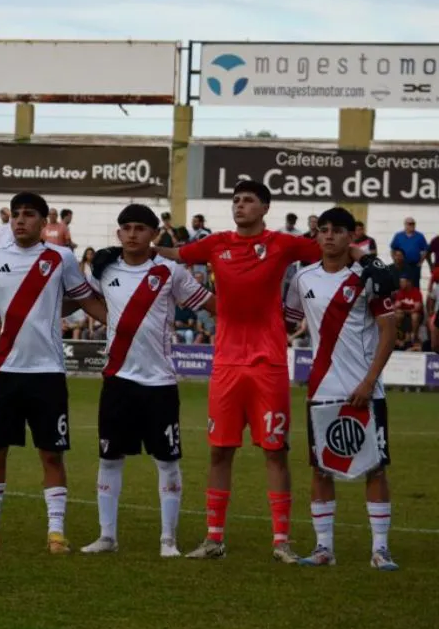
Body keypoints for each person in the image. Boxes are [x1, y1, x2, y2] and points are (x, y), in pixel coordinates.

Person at [154, 180, 389, 562]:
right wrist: (136, 247)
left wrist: (372, 263)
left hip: (269, 364)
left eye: (247, 201)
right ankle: (214, 538)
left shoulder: (282, 244)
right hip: (227, 363)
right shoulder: (216, 244)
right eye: (235, 200)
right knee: (219, 452)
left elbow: (336, 246)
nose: (239, 205)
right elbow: (177, 252)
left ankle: (281, 542)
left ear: (265, 207)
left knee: (275, 452)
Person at [0, 192, 108, 552]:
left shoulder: (61, 258)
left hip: (47, 372)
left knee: (51, 454)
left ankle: (56, 532)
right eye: (16, 214)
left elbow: (84, 297)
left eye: (29, 215)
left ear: (45, 222)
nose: (20, 220)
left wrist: (122, 322)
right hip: (5, 371)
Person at [80, 204, 214, 558]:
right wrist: (109, 318)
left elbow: (211, 305)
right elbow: (77, 299)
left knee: (167, 460)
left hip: (159, 383)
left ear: (154, 234)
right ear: (118, 233)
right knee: (109, 458)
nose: (132, 233)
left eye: (141, 227)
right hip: (117, 380)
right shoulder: (104, 270)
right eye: (126, 227)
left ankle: (168, 540)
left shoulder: (170, 272)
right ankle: (107, 536)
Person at [283, 207, 399, 571]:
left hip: (365, 389)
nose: (329, 236)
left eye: (338, 231)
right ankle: (323, 548)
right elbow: (287, 320)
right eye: (324, 230)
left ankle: (380, 549)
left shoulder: (369, 276)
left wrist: (369, 380)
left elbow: (389, 332)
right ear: (316, 235)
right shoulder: (303, 278)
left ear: (352, 236)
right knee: (321, 469)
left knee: (375, 468)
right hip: (321, 388)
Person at [389, 218, 426, 286]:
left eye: (413, 224)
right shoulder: (398, 236)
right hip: (401, 265)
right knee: (400, 283)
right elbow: (392, 249)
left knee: (414, 284)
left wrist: (420, 263)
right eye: (410, 224)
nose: (412, 225)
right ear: (405, 225)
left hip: (414, 265)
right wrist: (395, 260)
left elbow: (424, 251)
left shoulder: (420, 236)